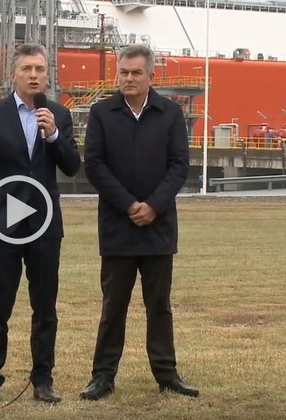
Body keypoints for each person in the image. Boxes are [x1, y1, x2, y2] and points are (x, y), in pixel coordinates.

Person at [79, 44, 199, 400]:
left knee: (159, 306)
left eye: (136, 73)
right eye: (124, 72)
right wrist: (130, 205)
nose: (129, 79)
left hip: (158, 228)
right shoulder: (102, 113)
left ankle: (167, 375)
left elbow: (179, 165)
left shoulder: (170, 113)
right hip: (117, 227)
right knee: (112, 307)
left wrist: (154, 206)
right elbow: (94, 165)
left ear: (151, 76)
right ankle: (102, 377)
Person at [0, 43, 81, 406]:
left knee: (45, 306)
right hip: (4, 220)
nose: (34, 75)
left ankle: (43, 379)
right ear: (13, 75)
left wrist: (54, 135)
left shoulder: (58, 114)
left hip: (44, 221)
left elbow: (72, 166)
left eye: (40, 69)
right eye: (27, 69)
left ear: (47, 74)